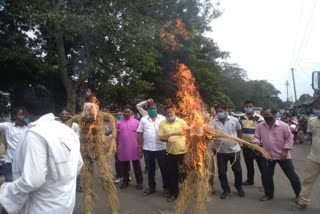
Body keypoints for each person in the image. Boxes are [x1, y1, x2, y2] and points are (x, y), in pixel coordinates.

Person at [0, 85, 83, 214]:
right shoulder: (68, 131)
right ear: (51, 107)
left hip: (41, 208)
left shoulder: (34, 135)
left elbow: (32, 180)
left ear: (26, 111)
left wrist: (6, 191)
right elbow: (78, 164)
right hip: (65, 205)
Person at [253, 108, 301, 201]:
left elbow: (289, 139)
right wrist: (256, 143)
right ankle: (268, 194)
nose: (266, 117)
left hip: (283, 155)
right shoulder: (260, 126)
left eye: (268, 114)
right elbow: (256, 137)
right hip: (267, 155)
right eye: (264, 115)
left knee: (292, 176)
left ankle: (299, 195)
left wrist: (285, 151)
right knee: (267, 176)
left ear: (274, 114)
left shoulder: (283, 126)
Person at [208, 103, 244, 200]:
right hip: (220, 151)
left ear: (226, 111)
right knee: (222, 172)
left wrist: (240, 141)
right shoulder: (213, 122)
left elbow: (239, 130)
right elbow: (209, 134)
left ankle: (239, 187)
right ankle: (226, 190)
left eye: (221, 111)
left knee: (237, 170)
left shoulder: (234, 120)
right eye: (217, 112)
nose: (219, 113)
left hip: (234, 150)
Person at [290, 99, 320, 210]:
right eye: (316, 108)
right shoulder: (312, 121)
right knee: (308, 180)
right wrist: (302, 138)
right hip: (314, 157)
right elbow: (309, 136)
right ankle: (302, 202)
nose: (317, 110)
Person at [0, 107, 28, 214]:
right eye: (20, 114)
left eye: (24, 114)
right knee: (9, 190)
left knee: (22, 190)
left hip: (24, 164)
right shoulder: (8, 126)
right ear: (15, 115)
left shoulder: (29, 128)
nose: (22, 115)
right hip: (10, 163)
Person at [137, 101, 168, 196]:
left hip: (161, 148)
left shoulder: (163, 118)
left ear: (156, 108)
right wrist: (139, 147)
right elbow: (140, 133)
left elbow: (168, 131)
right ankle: (151, 187)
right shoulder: (143, 119)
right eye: (150, 109)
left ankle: (166, 188)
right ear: (147, 110)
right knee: (150, 169)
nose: (152, 110)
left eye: (154, 108)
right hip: (148, 148)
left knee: (164, 168)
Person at [158, 104, 188, 202]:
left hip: (183, 152)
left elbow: (188, 134)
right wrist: (167, 140)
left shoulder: (181, 122)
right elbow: (161, 137)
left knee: (186, 173)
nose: (169, 114)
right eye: (167, 113)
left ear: (174, 111)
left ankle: (188, 191)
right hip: (170, 153)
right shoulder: (162, 124)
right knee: (172, 174)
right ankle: (174, 193)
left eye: (170, 112)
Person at [117, 105, 143, 190]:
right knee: (124, 167)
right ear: (122, 113)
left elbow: (140, 135)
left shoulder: (136, 122)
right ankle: (125, 181)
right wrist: (116, 145)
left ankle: (139, 182)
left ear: (131, 113)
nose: (127, 113)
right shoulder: (118, 123)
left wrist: (140, 146)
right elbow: (115, 135)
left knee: (137, 167)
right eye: (125, 112)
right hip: (123, 148)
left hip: (134, 148)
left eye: (128, 112)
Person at [239, 100, 264, 186]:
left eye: (250, 106)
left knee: (261, 166)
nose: (248, 108)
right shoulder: (241, 118)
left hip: (257, 145)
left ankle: (265, 184)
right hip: (246, 145)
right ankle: (250, 180)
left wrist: (260, 144)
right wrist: (240, 141)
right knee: (249, 164)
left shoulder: (259, 118)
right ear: (244, 107)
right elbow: (239, 130)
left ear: (253, 107)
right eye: (247, 107)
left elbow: (263, 132)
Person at [59, 108, 81, 192]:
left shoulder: (74, 125)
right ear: (60, 115)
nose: (64, 115)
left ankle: (77, 186)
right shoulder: (58, 124)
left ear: (69, 115)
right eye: (63, 114)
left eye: (66, 114)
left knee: (76, 166)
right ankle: (65, 186)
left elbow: (77, 137)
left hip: (73, 148)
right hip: (61, 149)